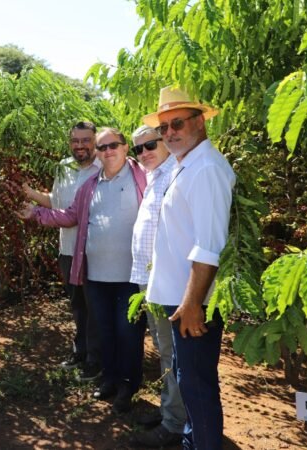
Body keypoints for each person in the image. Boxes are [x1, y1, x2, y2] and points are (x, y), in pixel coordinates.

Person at [19, 128, 147, 414]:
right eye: (102, 147)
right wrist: (36, 214)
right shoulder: (91, 185)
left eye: (113, 145)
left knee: (128, 332)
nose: (107, 151)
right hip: (95, 276)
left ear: (125, 148)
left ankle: (128, 385)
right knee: (105, 330)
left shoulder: (142, 177)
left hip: (130, 276)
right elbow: (70, 216)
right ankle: (110, 379)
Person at [143, 86, 235, 450]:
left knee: (197, 385)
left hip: (191, 302)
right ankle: (193, 441)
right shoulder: (190, 165)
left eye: (176, 123)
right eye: (163, 128)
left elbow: (209, 245)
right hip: (181, 298)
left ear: (199, 122)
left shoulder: (208, 169)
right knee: (190, 380)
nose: (168, 133)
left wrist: (193, 303)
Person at [21, 121, 102, 381]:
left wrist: (38, 214)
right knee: (77, 304)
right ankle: (81, 350)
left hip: (93, 251)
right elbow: (55, 203)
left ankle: (95, 359)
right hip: (67, 249)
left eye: (86, 140)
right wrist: (30, 193)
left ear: (95, 141)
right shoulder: (64, 168)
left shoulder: (105, 168)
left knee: (94, 307)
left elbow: (75, 215)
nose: (80, 146)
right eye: (75, 141)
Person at [126, 125, 186, 447]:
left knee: (172, 354)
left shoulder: (174, 174)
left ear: (164, 142)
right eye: (139, 148)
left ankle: (175, 425)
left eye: (150, 145)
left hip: (166, 282)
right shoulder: (152, 178)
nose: (144, 153)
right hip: (147, 280)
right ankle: (170, 414)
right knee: (164, 352)